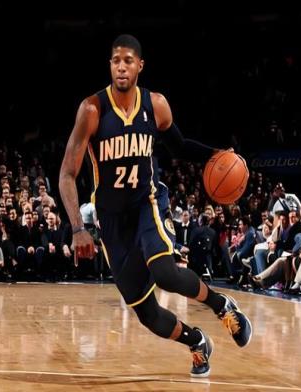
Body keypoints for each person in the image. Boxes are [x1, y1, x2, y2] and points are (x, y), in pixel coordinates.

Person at [59, 34, 252, 378]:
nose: (121, 67)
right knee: (147, 314)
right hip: (112, 221)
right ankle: (196, 342)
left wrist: (217, 154)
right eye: (116, 60)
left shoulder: (156, 105)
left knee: (164, 272)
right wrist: (77, 228)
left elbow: (179, 147)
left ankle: (222, 306)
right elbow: (66, 175)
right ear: (110, 65)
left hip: (146, 204)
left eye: (128, 61)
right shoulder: (92, 110)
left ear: (140, 65)